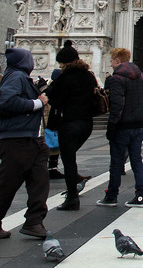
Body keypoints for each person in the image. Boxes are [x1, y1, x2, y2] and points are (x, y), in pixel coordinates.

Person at [0, 48, 50, 239]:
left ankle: (34, 221)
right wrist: (37, 102)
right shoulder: (15, 77)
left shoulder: (20, 78)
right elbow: (5, 102)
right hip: (16, 139)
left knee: (40, 181)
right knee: (8, 183)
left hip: (32, 138)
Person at [97, 48, 143, 208]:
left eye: (112, 60)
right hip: (139, 125)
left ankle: (112, 196)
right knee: (137, 160)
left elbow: (117, 105)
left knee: (116, 163)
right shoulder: (142, 77)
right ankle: (141, 196)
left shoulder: (116, 79)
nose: (111, 63)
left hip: (122, 126)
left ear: (117, 61)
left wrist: (111, 127)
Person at [46, 40, 97, 210]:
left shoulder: (64, 77)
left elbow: (54, 99)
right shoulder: (89, 76)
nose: (60, 66)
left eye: (61, 62)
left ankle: (72, 198)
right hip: (86, 124)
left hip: (69, 124)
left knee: (69, 161)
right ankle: (75, 184)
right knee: (70, 157)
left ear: (65, 62)